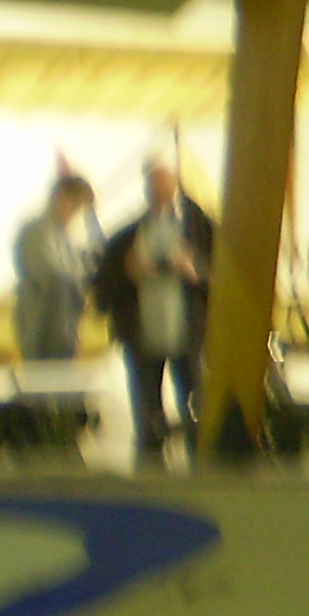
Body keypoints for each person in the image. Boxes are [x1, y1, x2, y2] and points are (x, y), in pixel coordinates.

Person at [97, 159, 212, 466]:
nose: (160, 194)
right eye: (154, 188)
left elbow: (224, 278)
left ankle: (200, 461)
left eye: (165, 187)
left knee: (196, 405)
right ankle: (150, 462)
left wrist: (194, 270)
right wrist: (130, 273)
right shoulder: (126, 238)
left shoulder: (202, 230)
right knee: (147, 412)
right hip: (143, 336)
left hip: (188, 335)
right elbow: (104, 286)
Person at [11, 172, 98, 365]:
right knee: (45, 380)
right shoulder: (36, 233)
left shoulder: (65, 238)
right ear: (61, 197)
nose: (76, 214)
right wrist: (79, 285)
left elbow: (83, 268)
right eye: (75, 205)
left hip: (65, 331)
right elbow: (50, 276)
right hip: (43, 330)